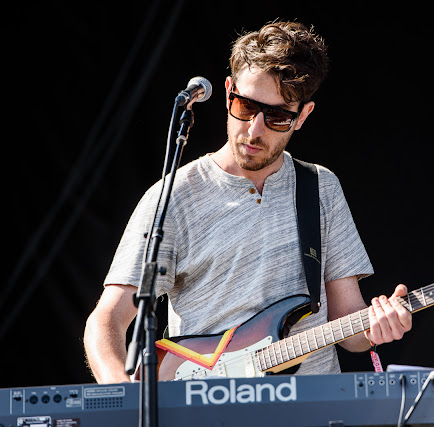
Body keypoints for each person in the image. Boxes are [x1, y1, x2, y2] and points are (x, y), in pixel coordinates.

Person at [84, 21, 412, 384]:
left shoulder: (320, 188)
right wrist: (123, 402)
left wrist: (378, 325)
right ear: (228, 92)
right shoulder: (174, 197)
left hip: (309, 408)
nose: (255, 130)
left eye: (277, 116)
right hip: (210, 409)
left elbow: (348, 324)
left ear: (303, 116)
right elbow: (106, 321)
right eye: (245, 106)